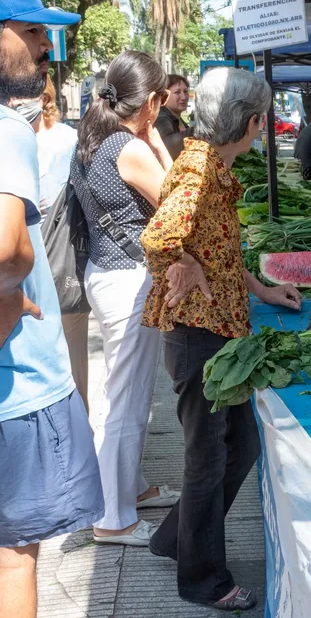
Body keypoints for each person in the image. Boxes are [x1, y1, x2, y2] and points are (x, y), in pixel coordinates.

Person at [141, 67, 302, 611]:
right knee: (207, 459)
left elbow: (221, 253)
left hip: (221, 335)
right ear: (254, 121)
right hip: (199, 337)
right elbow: (160, 237)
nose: (263, 129)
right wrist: (185, 264)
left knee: (244, 445)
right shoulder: (200, 173)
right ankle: (204, 580)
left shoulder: (212, 165)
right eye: (263, 121)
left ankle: (173, 540)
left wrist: (261, 289)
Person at [0, 0, 104, 618]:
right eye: (33, 31)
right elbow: (7, 248)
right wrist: (10, 289)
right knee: (13, 561)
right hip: (18, 393)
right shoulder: (9, 127)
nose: (47, 48)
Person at [70, 50, 179, 547]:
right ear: (152, 101)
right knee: (126, 401)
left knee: (124, 392)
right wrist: (157, 143)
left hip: (104, 273)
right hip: (129, 280)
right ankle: (113, 519)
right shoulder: (128, 147)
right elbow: (183, 207)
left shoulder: (91, 138)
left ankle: (130, 490)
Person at [11, 77, 91, 410]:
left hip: (49, 258)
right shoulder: (66, 138)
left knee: (65, 355)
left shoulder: (64, 139)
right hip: (40, 258)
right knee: (67, 357)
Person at [154, 74, 189, 160]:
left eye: (185, 91)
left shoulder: (178, 119)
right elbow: (170, 147)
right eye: (177, 92)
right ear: (164, 95)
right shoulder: (161, 119)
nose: (183, 97)